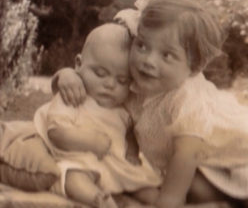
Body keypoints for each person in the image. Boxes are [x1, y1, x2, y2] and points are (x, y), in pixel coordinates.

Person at [51, 0, 248, 208]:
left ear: (193, 67)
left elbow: (186, 155)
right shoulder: (137, 79)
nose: (149, 60)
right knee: (196, 188)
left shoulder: (187, 97)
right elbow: (96, 66)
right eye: (142, 46)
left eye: (167, 55)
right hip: (218, 166)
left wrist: (167, 202)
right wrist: (67, 76)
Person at [34, 23, 161, 208]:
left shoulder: (122, 109)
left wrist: (132, 154)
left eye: (122, 80)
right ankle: (99, 200)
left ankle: (163, 200)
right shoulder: (74, 96)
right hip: (78, 161)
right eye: (100, 73)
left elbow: (129, 134)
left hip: (115, 168)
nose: (110, 84)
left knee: (144, 185)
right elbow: (56, 132)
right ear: (78, 64)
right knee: (71, 176)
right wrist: (89, 141)